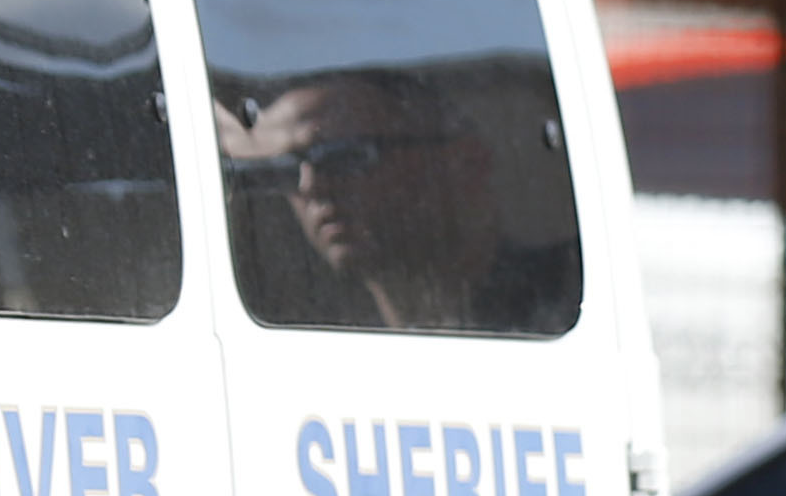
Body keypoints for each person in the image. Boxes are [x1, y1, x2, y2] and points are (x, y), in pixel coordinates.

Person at [219, 67, 572, 334]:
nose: (311, 184)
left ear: (466, 160)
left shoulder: (566, 308)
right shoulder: (317, 338)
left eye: (346, 156)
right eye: (287, 167)